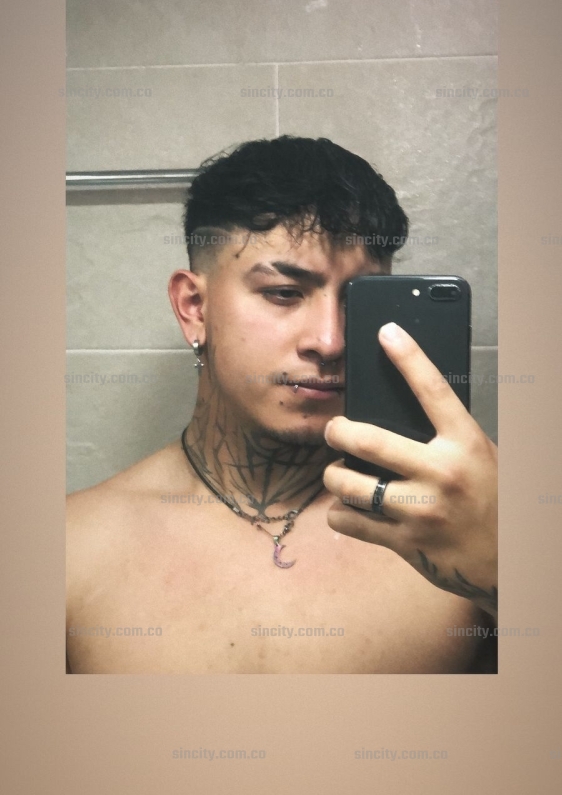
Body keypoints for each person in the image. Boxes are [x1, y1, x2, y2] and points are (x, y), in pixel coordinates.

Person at [66, 136, 497, 674]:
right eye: (284, 293)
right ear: (194, 307)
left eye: (358, 301)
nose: (331, 341)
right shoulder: (71, 546)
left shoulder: (454, 527)